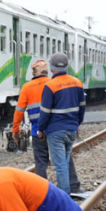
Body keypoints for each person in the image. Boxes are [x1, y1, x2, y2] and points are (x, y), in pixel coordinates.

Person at [15, 59, 78, 191]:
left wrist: (16, 129)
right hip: (55, 129)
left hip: (38, 131)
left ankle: (43, 191)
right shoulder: (53, 83)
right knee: (65, 159)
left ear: (33, 73)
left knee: (41, 162)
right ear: (47, 72)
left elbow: (20, 110)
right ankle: (73, 185)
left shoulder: (27, 87)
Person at [40, 52, 86, 199]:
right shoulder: (77, 82)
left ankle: (64, 196)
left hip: (56, 131)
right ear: (67, 66)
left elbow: (45, 112)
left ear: (51, 67)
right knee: (64, 162)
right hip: (71, 129)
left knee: (60, 165)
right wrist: (77, 124)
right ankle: (65, 191)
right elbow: (82, 107)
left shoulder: (50, 85)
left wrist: (41, 129)